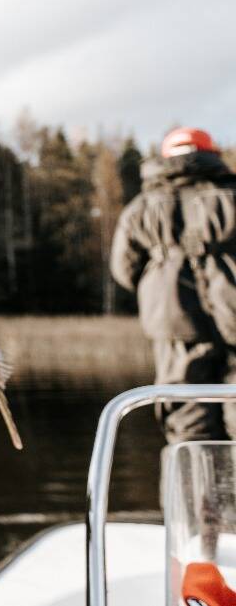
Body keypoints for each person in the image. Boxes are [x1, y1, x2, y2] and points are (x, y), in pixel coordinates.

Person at [111, 127, 236, 442]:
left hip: (174, 323)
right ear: (212, 153)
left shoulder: (140, 208)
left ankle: (198, 488)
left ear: (165, 158)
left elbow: (124, 270)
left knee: (187, 417)